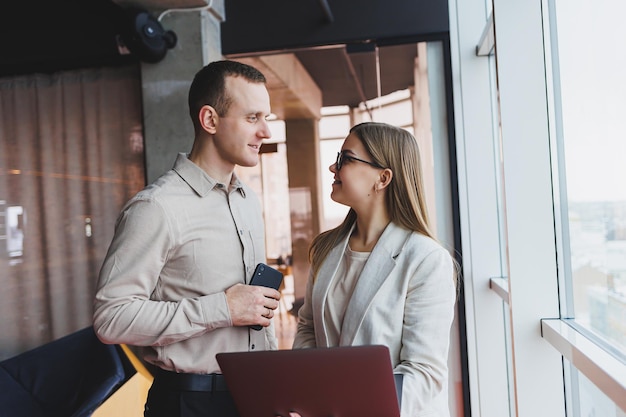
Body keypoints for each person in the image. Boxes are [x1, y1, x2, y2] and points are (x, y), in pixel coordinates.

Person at [93, 60, 281, 417]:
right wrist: (222, 308)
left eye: (266, 117)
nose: (266, 131)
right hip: (189, 404)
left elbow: (255, 312)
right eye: (253, 118)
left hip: (254, 395)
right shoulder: (157, 207)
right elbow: (111, 318)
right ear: (209, 120)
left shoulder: (247, 200)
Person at [292, 122, 457, 417]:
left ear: (382, 178)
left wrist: (344, 405)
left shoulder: (426, 259)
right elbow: (308, 328)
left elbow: (423, 371)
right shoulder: (325, 249)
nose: (333, 166)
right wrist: (308, 396)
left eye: (345, 158)